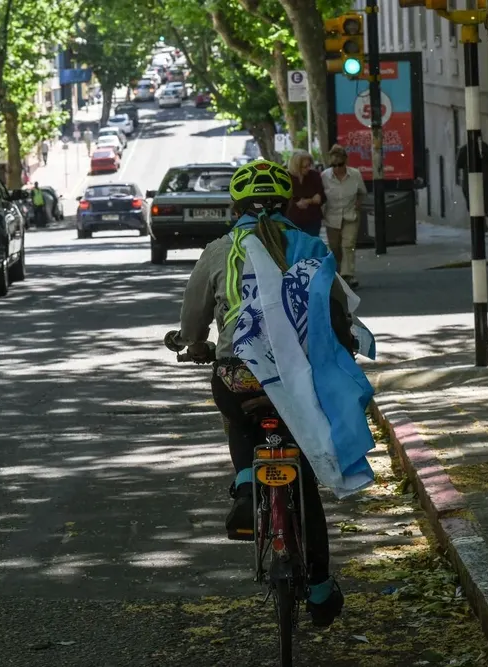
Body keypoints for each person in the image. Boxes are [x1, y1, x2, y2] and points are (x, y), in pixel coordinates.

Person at [169, 159, 352, 628]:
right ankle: (318, 587)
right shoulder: (310, 245)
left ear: (236, 207)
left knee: (236, 413)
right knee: (303, 481)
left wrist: (195, 346)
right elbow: (336, 310)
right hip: (297, 379)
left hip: (237, 375)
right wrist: (346, 341)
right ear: (288, 203)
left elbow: (194, 320)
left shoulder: (219, 250)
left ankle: (248, 480)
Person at [321, 145, 366, 289]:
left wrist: (358, 203)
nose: (337, 168)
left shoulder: (355, 175)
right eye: (333, 165)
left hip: (350, 214)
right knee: (335, 248)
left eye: (340, 165)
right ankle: (338, 274)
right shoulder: (324, 177)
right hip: (332, 216)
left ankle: (348, 275)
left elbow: (362, 192)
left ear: (345, 162)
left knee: (348, 244)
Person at [286, 149, 325, 237]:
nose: (308, 168)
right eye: (305, 166)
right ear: (296, 166)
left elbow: (321, 197)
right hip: (292, 220)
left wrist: (308, 201)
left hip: (312, 220)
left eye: (309, 165)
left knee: (311, 246)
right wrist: (297, 203)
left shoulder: (314, 176)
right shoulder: (286, 178)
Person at [456, 138, 488, 214]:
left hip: (471, 182)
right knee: (481, 202)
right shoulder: (484, 147)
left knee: (474, 203)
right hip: (482, 180)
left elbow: (458, 164)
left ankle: (481, 218)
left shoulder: (465, 149)